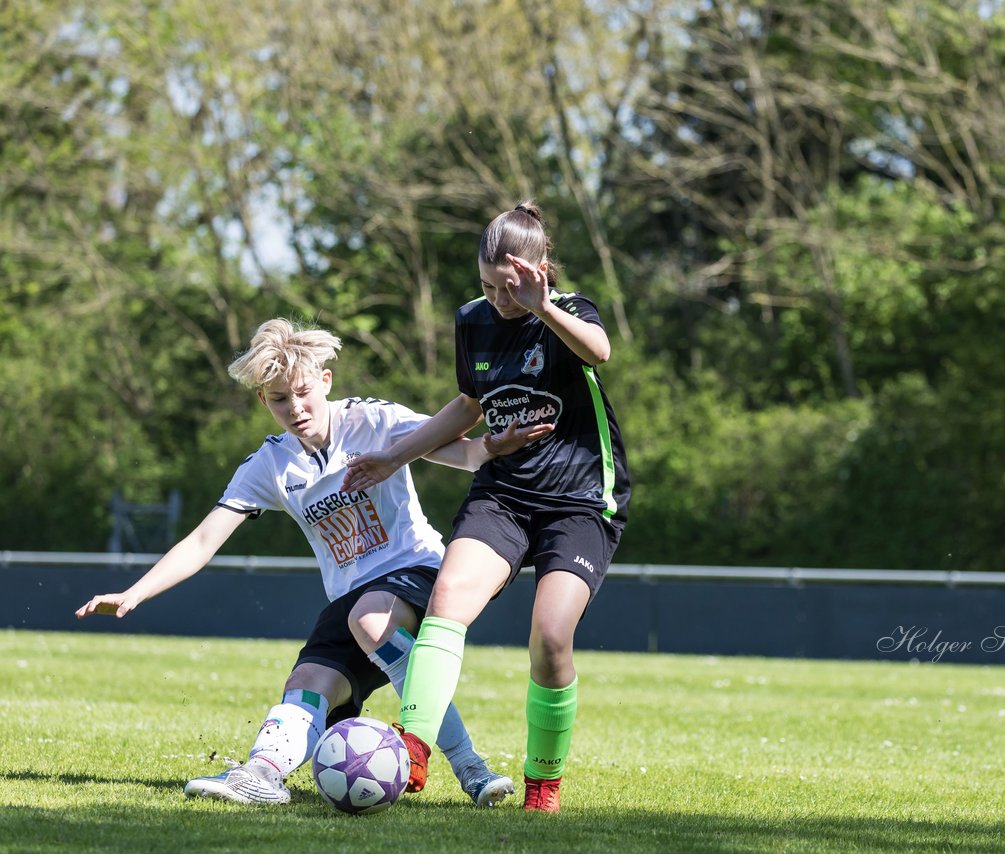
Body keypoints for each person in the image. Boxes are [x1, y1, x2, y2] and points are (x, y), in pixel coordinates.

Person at [75, 318, 550, 807]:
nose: (295, 408)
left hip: (418, 572)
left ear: (325, 381)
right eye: (279, 399)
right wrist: (134, 592)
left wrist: (494, 445)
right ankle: (259, 775)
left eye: (302, 392)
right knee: (307, 683)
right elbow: (202, 541)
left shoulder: (374, 420)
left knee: (370, 618)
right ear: (264, 401)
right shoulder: (271, 464)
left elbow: (467, 454)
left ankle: (471, 768)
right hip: (350, 598)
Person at [341, 200, 630, 813]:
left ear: (540, 269)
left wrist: (541, 306)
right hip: (503, 492)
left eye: (510, 285)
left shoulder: (568, 309)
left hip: (578, 500)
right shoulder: (473, 320)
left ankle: (542, 782)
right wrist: (397, 456)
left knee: (551, 636)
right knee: (446, 602)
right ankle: (411, 748)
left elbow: (600, 352)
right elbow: (467, 405)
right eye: (487, 284)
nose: (499, 298)